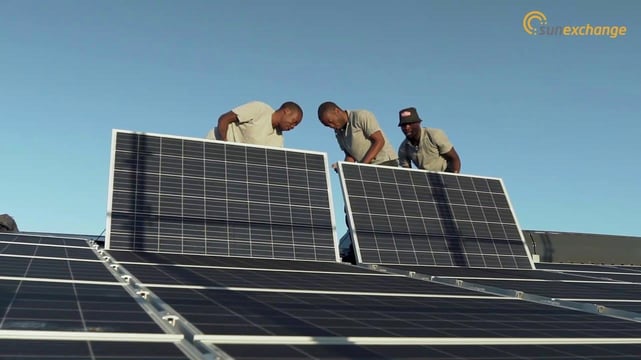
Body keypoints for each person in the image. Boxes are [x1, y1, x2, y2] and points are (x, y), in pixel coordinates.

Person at [317, 101, 398, 167]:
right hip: (367, 168)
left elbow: (379, 141)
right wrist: (343, 168)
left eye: (331, 122)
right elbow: (350, 156)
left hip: (385, 163)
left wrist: (362, 166)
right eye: (327, 125)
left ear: (337, 111)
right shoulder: (338, 132)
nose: (331, 126)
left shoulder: (361, 116)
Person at [207, 101, 303, 147]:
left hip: (236, 162)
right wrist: (224, 144)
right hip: (215, 146)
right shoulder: (259, 109)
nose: (293, 127)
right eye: (294, 122)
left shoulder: (278, 140)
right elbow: (224, 119)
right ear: (286, 111)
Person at [397, 107, 461, 173]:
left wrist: (452, 178)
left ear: (418, 123)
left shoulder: (434, 135)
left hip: (444, 176)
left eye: (410, 123)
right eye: (403, 125)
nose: (407, 127)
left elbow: (454, 159)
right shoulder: (403, 149)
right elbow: (407, 173)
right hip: (425, 180)